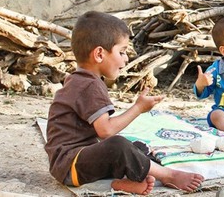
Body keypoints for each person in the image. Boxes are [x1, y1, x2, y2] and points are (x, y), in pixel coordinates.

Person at [44, 11, 204, 195]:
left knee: (137, 147)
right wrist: (138, 108)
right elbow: (106, 131)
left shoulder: (80, 79)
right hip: (71, 163)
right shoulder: (89, 85)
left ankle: (122, 183)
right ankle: (167, 175)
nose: (126, 58)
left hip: (77, 161)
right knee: (118, 146)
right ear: (99, 54)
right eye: (122, 52)